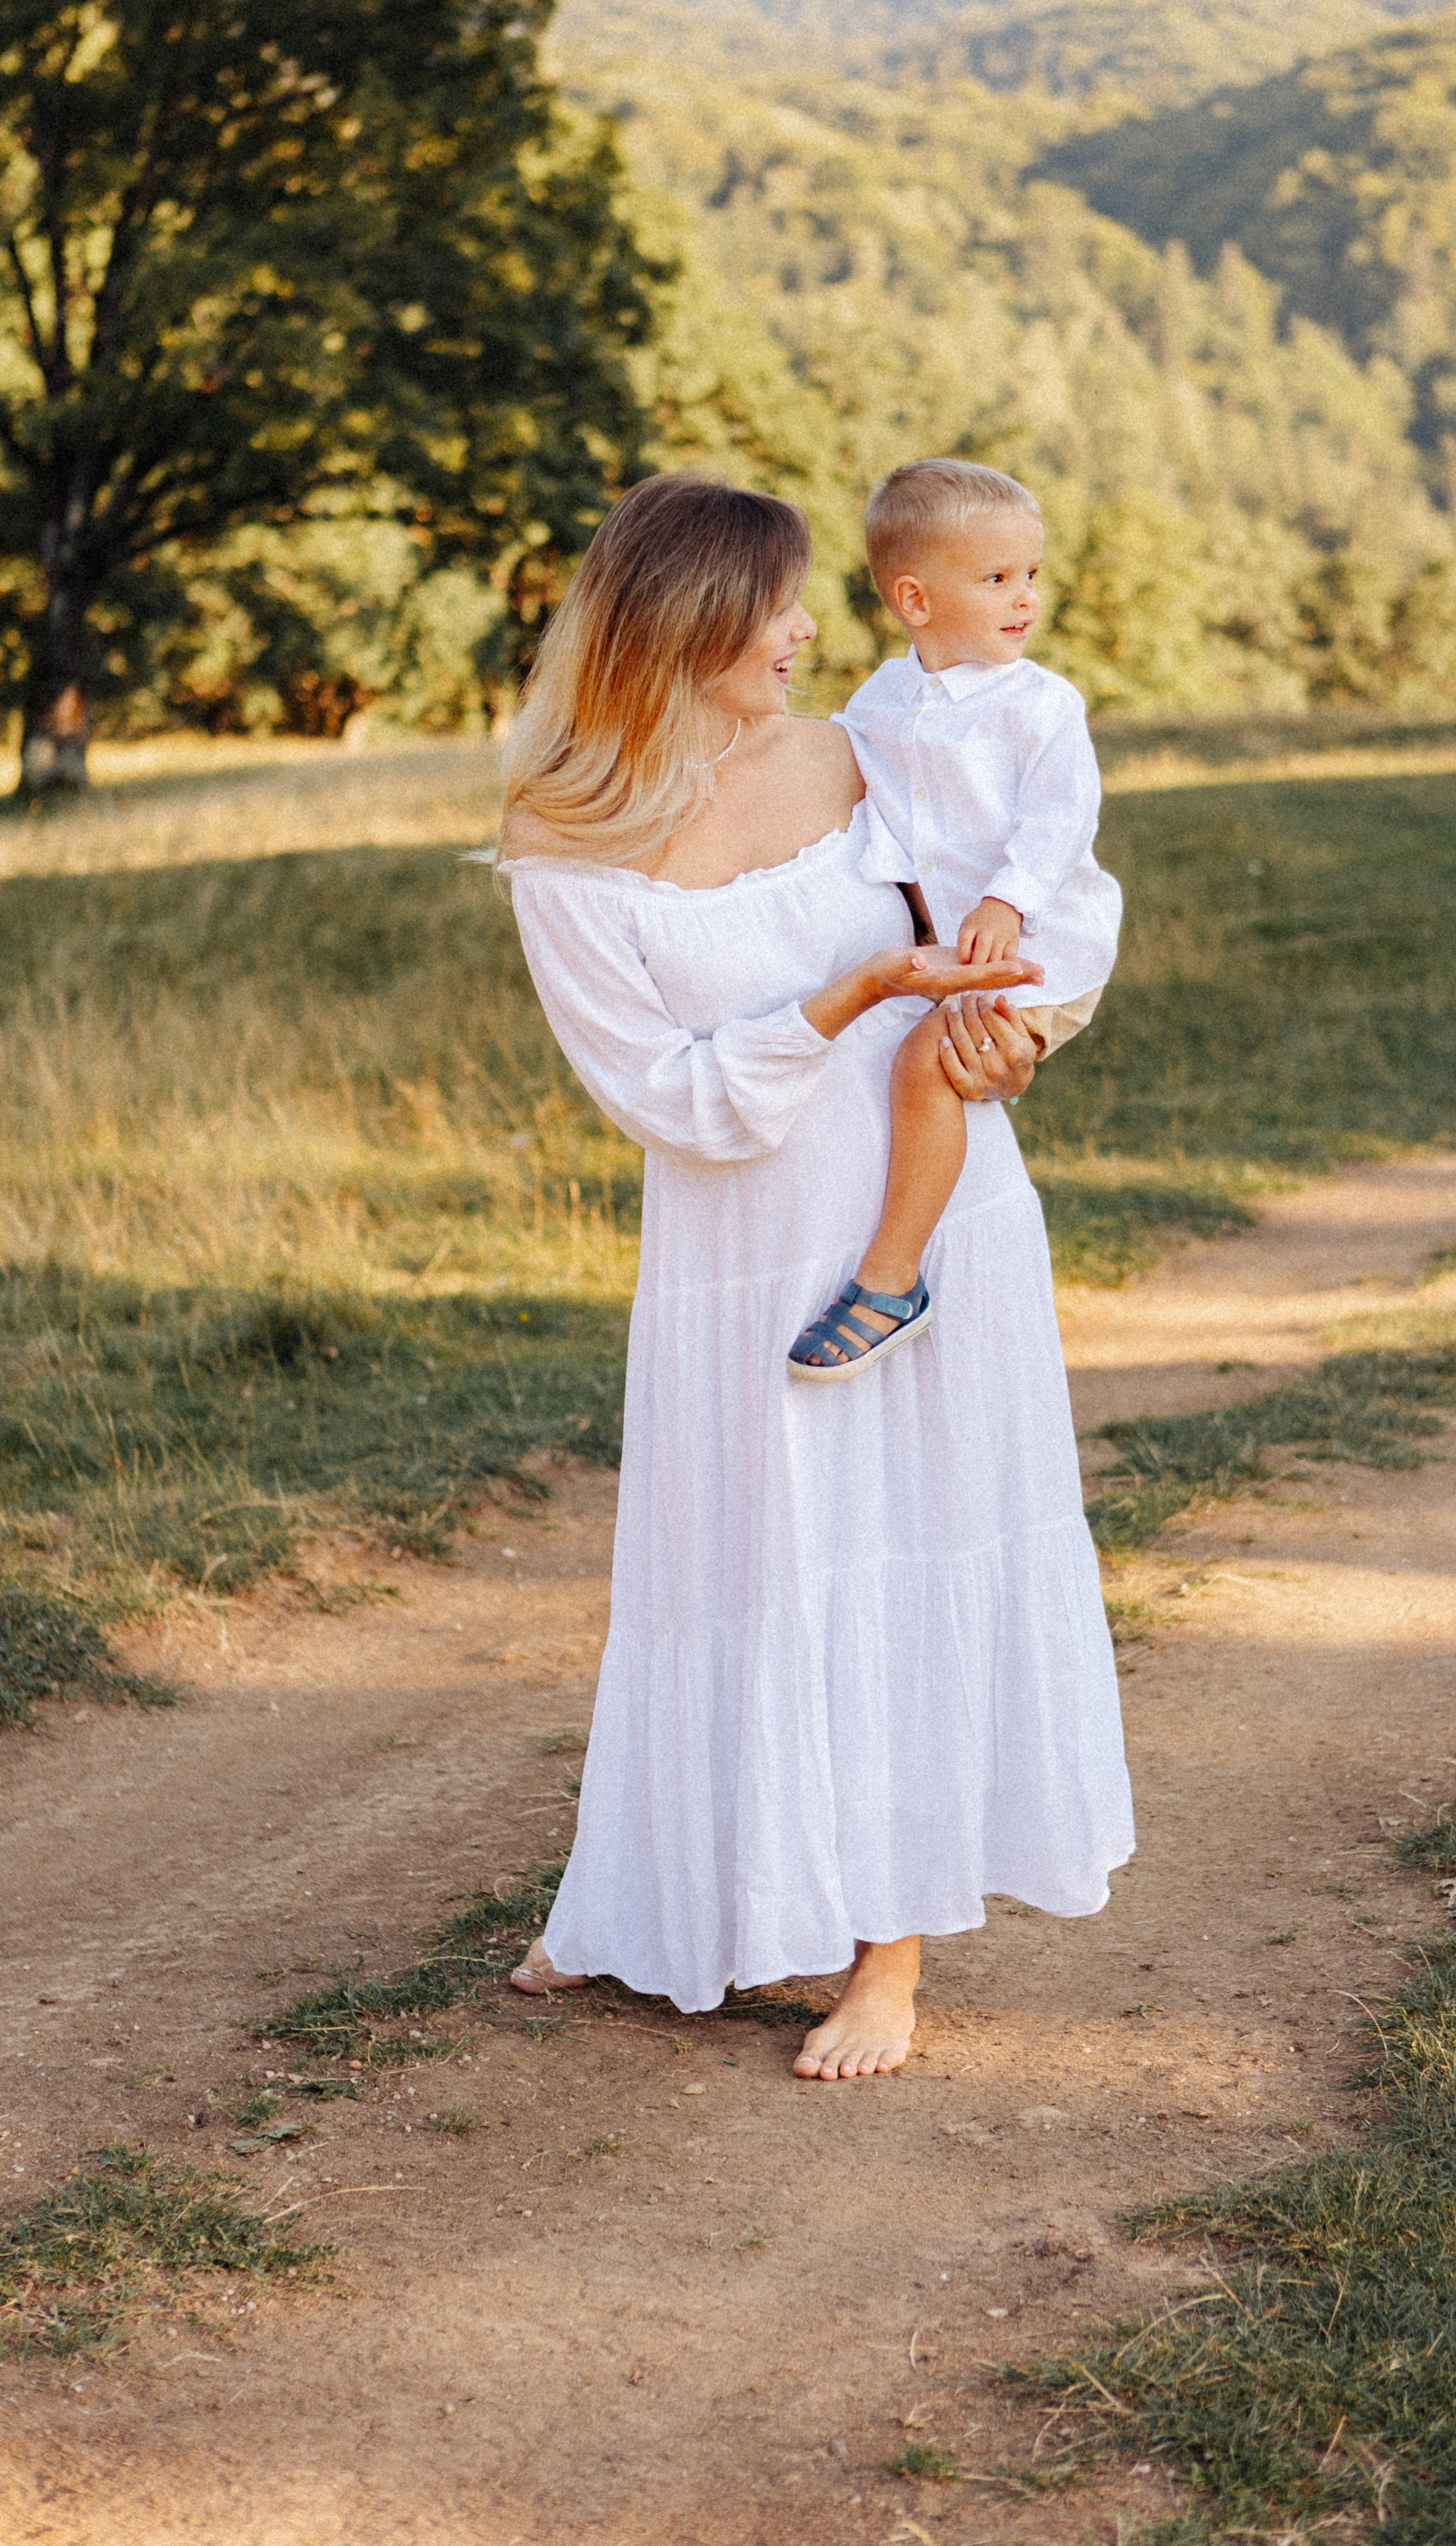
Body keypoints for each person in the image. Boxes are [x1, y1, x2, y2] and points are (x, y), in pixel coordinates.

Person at [494, 469, 1135, 2079]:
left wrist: (1001, 1034)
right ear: (687, 620)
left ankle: (887, 1958)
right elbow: (665, 1094)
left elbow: (1012, 913)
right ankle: (643, 1892)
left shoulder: (864, 753)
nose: (802, 630)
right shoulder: (564, 829)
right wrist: (849, 996)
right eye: (773, 607)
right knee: (735, 1567)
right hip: (741, 1240)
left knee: (895, 1551)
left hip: (925, 1214)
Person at [787, 460, 1123, 1381]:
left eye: (1031, 576)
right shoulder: (875, 707)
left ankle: (892, 1280)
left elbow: (1060, 818)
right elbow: (871, 820)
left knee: (927, 1060)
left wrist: (1007, 900)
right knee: (902, 1048)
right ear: (914, 599)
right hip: (943, 951)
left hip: (1039, 947)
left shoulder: (1041, 705)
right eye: (997, 578)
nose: (1025, 600)